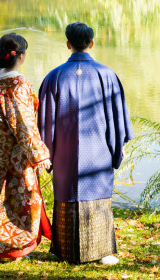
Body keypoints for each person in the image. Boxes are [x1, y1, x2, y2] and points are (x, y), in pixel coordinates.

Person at [38, 22, 132, 265]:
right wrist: (116, 145)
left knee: (66, 194)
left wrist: (47, 151)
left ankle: (65, 251)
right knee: (97, 192)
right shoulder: (107, 75)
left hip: (64, 155)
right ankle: (102, 252)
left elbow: (46, 121)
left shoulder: (54, 76)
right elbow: (118, 117)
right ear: (91, 43)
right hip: (98, 150)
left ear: (68, 44)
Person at [0, 33, 52, 261]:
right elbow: (25, 123)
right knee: (20, 199)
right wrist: (40, 154)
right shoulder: (17, 84)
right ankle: (12, 249)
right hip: (16, 154)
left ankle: (2, 246)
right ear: (20, 56)